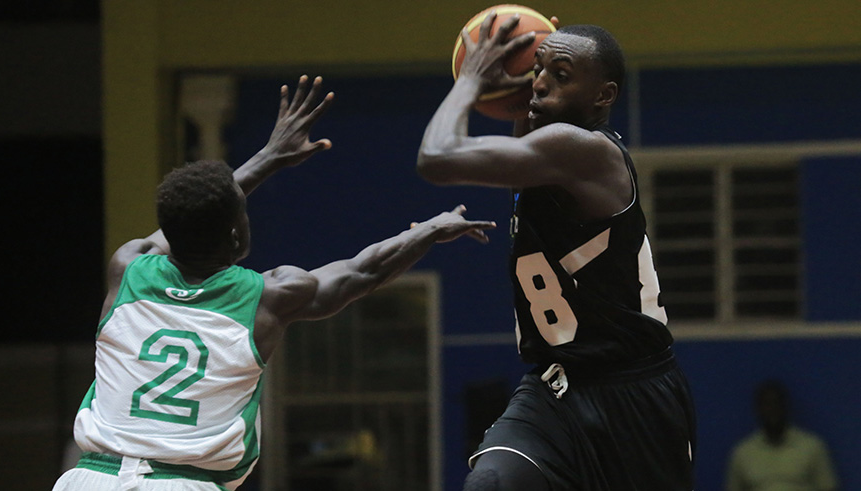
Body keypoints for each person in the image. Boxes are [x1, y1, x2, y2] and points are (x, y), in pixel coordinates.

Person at [52, 75, 496, 491]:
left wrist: (265, 159)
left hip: (89, 478)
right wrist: (427, 231)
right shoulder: (267, 298)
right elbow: (363, 271)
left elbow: (195, 212)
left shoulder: (129, 266)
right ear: (235, 232)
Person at [417, 12, 696, 491]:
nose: (539, 84)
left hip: (634, 393)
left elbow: (437, 158)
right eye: (537, 69)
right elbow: (520, 118)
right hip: (555, 387)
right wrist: (513, 75)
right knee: (491, 483)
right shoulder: (540, 140)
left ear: (603, 97)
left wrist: (470, 81)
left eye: (559, 76)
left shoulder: (582, 150)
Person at [725, 380, 839, 491]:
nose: (772, 409)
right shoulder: (742, 453)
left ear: (786, 407)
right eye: (767, 404)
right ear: (758, 410)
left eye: (777, 403)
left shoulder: (812, 447)